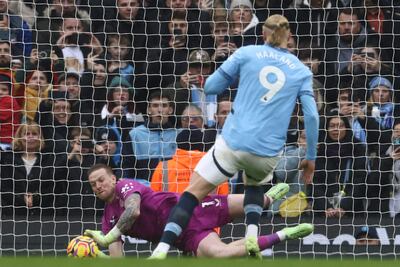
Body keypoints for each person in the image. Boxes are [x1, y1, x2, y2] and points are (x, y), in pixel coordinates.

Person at [150, 14, 319, 259]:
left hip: (234, 142)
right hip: (267, 151)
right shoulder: (302, 71)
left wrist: (234, 76)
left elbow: (210, 87)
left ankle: (161, 250)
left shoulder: (246, 53)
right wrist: (311, 158)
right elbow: (312, 117)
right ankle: (251, 237)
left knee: (192, 193)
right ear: (289, 37)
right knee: (255, 185)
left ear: (263, 33)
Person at [83, 164, 313, 257]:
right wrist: (96, 254)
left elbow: (132, 211)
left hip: (190, 208)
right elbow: (117, 260)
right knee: (220, 254)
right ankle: (284, 234)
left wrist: (108, 236)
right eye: (93, 185)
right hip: (186, 236)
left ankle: (268, 197)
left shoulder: (125, 186)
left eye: (101, 180)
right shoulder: (107, 218)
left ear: (113, 178)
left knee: (253, 202)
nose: (98, 186)